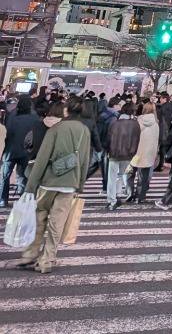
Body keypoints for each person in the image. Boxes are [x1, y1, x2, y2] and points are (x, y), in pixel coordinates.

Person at [16, 95, 90, 274]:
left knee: (39, 217)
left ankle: (30, 254)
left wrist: (31, 185)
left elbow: (42, 158)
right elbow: (84, 160)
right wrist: (79, 184)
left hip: (49, 182)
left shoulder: (56, 129)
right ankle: (47, 261)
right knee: (57, 224)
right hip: (69, 184)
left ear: (66, 110)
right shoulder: (84, 131)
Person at [0, 94, 40, 207]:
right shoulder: (35, 118)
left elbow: (8, 131)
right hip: (26, 151)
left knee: (5, 176)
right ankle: (23, 198)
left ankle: (3, 199)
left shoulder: (12, 116)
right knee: (22, 175)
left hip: (10, 150)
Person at [106, 102, 140, 211]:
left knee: (111, 177)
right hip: (128, 153)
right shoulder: (136, 124)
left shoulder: (115, 123)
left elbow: (109, 138)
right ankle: (117, 195)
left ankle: (112, 200)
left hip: (114, 153)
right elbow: (137, 139)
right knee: (121, 174)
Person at [126, 101, 159, 204]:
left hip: (136, 151)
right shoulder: (156, 122)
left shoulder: (139, 120)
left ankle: (129, 193)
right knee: (143, 177)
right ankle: (139, 197)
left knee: (130, 174)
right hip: (148, 153)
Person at [153, 92, 172, 173]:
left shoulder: (163, 108)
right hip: (167, 129)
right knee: (162, 149)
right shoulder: (170, 106)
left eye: (161, 98)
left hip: (162, 130)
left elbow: (158, 118)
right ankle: (160, 165)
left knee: (160, 148)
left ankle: (159, 165)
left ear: (164, 99)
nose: (160, 100)